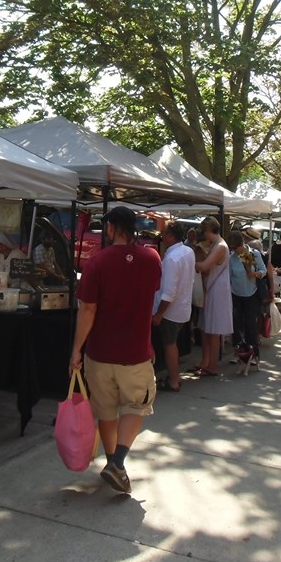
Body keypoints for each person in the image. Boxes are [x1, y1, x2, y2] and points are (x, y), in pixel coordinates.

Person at [69, 206, 162, 494]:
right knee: (136, 405)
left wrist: (76, 351)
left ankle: (114, 463)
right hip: (135, 350)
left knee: (106, 411)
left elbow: (87, 310)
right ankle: (117, 463)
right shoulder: (151, 259)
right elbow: (151, 294)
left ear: (110, 229)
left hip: (100, 351)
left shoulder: (97, 262)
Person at [153, 221, 195, 393]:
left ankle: (173, 380)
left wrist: (159, 314)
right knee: (172, 343)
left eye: (164, 233)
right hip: (182, 306)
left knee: (169, 344)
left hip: (171, 310)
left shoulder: (172, 258)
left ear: (171, 236)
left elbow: (169, 292)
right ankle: (174, 377)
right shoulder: (187, 251)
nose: (161, 236)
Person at [192, 216, 232, 377]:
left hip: (217, 288)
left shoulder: (220, 246)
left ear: (209, 230)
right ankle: (207, 362)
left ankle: (212, 365)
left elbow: (205, 266)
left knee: (213, 329)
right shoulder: (218, 245)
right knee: (207, 328)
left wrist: (189, 261)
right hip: (213, 286)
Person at [226, 230, 266, 363]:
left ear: (241, 244)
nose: (234, 250)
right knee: (236, 324)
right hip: (236, 294)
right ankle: (239, 352)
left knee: (250, 325)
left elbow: (263, 270)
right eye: (232, 248)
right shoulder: (232, 259)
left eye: (236, 248)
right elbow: (229, 278)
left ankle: (254, 354)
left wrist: (255, 274)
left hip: (251, 293)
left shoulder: (251, 254)